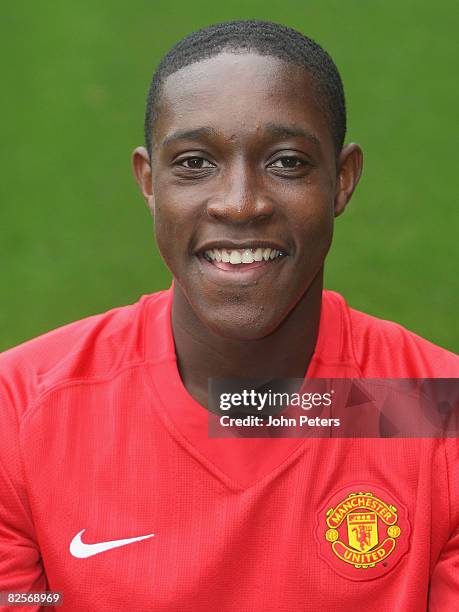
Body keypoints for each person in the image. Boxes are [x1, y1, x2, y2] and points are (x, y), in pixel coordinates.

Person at [0, 20, 457, 612]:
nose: (240, 202)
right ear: (149, 182)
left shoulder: (433, 407)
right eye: (194, 163)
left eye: (287, 162)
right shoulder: (19, 410)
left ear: (342, 180)